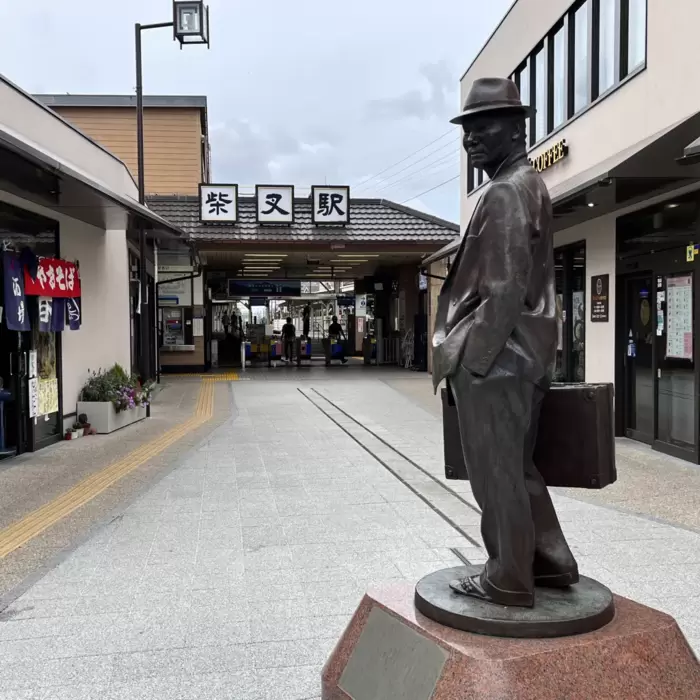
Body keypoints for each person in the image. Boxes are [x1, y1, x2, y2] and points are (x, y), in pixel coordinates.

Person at [432, 77, 578, 608]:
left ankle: (508, 577)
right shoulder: (528, 183)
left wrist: (471, 364)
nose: (470, 139)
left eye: (482, 126)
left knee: (497, 475)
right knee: (518, 468)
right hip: (525, 357)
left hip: (499, 360)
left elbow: (503, 290)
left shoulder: (505, 191)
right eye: (467, 129)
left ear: (516, 129)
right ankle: (550, 561)